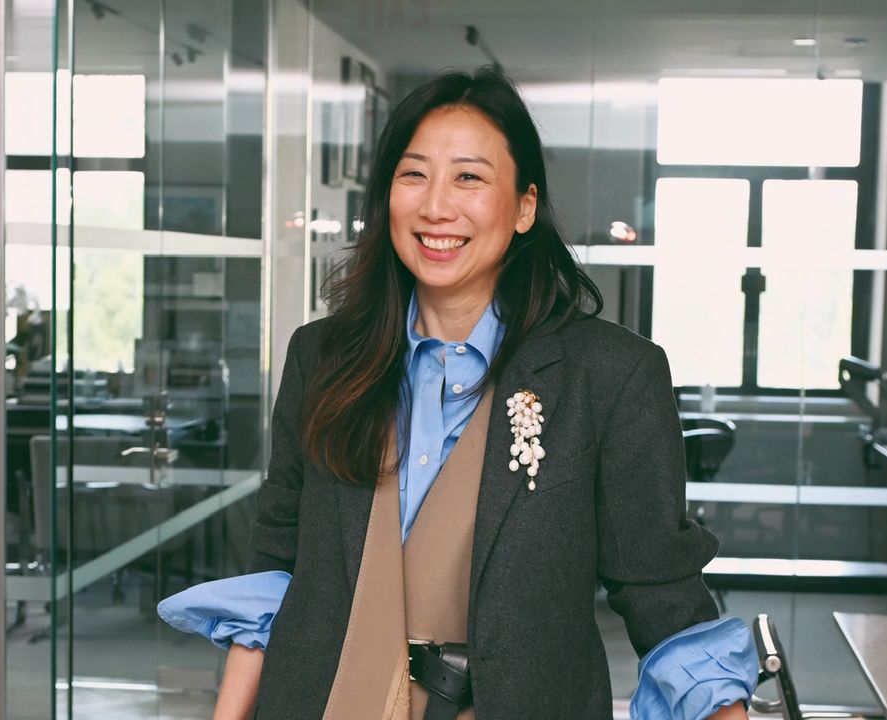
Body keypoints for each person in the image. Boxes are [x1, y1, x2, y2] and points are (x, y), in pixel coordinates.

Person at [159, 66, 758, 720]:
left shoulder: (610, 374)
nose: (436, 207)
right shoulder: (322, 358)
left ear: (524, 207)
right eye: (413, 175)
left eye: (469, 177)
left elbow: (662, 593)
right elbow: (273, 574)